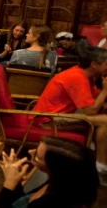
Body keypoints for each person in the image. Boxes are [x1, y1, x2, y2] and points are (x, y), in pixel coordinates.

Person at [31, 43, 107, 184]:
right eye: (105, 63)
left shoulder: (87, 75)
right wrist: (105, 90)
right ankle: (100, 168)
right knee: (105, 121)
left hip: (60, 115)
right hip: (49, 120)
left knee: (103, 116)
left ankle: (98, 163)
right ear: (94, 64)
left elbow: (94, 100)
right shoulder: (78, 78)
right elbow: (90, 110)